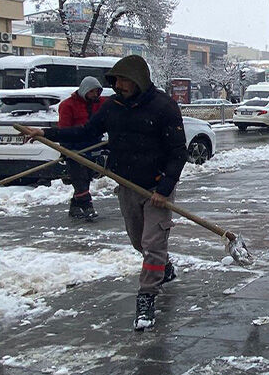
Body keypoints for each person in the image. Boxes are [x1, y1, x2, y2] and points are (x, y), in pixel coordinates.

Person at [19, 55, 187, 332]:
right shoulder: (112, 108)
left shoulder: (163, 107)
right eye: (115, 80)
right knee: (139, 242)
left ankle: (146, 299)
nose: (117, 85)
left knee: (153, 244)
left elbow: (178, 152)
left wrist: (165, 189)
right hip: (126, 182)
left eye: (122, 80)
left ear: (137, 80)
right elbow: (86, 131)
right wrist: (46, 133)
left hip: (156, 186)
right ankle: (164, 268)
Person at [58, 76, 104, 221]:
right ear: (85, 90)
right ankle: (87, 207)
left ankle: (75, 206)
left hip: (92, 147)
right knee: (80, 178)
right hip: (74, 149)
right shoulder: (68, 105)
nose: (95, 95)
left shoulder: (99, 103)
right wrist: (65, 149)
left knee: (86, 178)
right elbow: (64, 129)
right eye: (93, 92)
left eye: (98, 92)